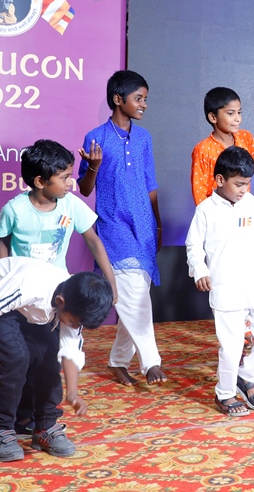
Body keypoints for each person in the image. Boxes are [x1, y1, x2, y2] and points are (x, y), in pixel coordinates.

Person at [0, 138, 118, 433]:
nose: (71, 183)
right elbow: (2, 241)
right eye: (64, 177)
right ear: (40, 181)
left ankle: (45, 419)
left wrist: (111, 282)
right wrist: (5, 278)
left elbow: (93, 240)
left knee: (50, 360)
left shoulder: (71, 204)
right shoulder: (15, 209)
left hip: (57, 297)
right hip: (24, 298)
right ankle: (21, 418)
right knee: (24, 359)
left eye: (70, 175)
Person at [0, 257, 113, 462]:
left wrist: (73, 393)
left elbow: (70, 348)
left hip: (26, 307)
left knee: (48, 357)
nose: (76, 327)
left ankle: (44, 427)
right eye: (74, 322)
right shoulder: (29, 286)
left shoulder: (74, 300)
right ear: (60, 302)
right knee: (16, 358)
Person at [77, 70, 165, 387]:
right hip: (113, 224)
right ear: (118, 99)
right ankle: (151, 361)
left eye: (145, 99)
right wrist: (94, 167)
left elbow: (150, 183)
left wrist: (157, 223)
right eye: (138, 98)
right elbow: (85, 188)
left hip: (143, 224)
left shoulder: (144, 138)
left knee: (136, 291)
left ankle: (117, 361)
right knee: (134, 291)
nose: (144, 105)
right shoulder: (95, 137)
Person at [186, 146, 254, 416]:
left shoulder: (249, 202)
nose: (244, 189)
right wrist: (200, 271)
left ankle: (247, 376)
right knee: (231, 345)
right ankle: (225, 393)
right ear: (219, 180)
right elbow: (193, 245)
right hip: (225, 284)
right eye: (238, 184)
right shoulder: (205, 210)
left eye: (247, 183)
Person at [191, 86, 254, 206]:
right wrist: (209, 214)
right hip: (216, 211)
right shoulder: (203, 149)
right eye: (231, 113)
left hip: (242, 209)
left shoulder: (245, 138)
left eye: (239, 112)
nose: (238, 119)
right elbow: (199, 193)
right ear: (213, 117)